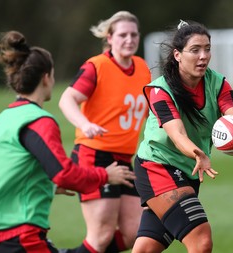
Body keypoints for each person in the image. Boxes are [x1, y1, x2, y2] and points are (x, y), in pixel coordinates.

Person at [0, 31, 136, 253]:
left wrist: (48, 185)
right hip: (21, 234)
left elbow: (12, 171)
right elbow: (65, 173)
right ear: (46, 78)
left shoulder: (1, 120)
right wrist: (105, 175)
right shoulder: (39, 121)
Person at [131, 20, 233, 253]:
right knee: (201, 240)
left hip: (188, 171)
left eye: (207, 48)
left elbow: (230, 109)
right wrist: (197, 153)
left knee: (146, 248)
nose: (203, 56)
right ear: (177, 55)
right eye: (195, 50)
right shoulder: (159, 90)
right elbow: (176, 134)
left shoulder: (217, 82)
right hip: (158, 168)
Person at [58, 11, 151, 253]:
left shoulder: (142, 68)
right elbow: (67, 99)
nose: (129, 39)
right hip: (94, 155)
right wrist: (84, 123)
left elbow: (154, 107)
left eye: (133, 34)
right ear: (109, 38)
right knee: (100, 236)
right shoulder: (97, 66)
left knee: (134, 233)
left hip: (124, 159)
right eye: (122, 35)